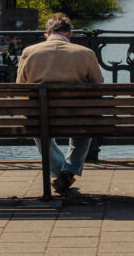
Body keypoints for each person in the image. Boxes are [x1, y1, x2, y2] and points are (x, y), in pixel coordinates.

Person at [16, 12, 103, 195]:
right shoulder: (85, 53)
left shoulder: (29, 52)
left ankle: (61, 172)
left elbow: (20, 87)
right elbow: (98, 85)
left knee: (40, 130)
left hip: (40, 117)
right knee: (84, 128)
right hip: (76, 117)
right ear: (69, 34)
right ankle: (68, 171)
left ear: (46, 35)